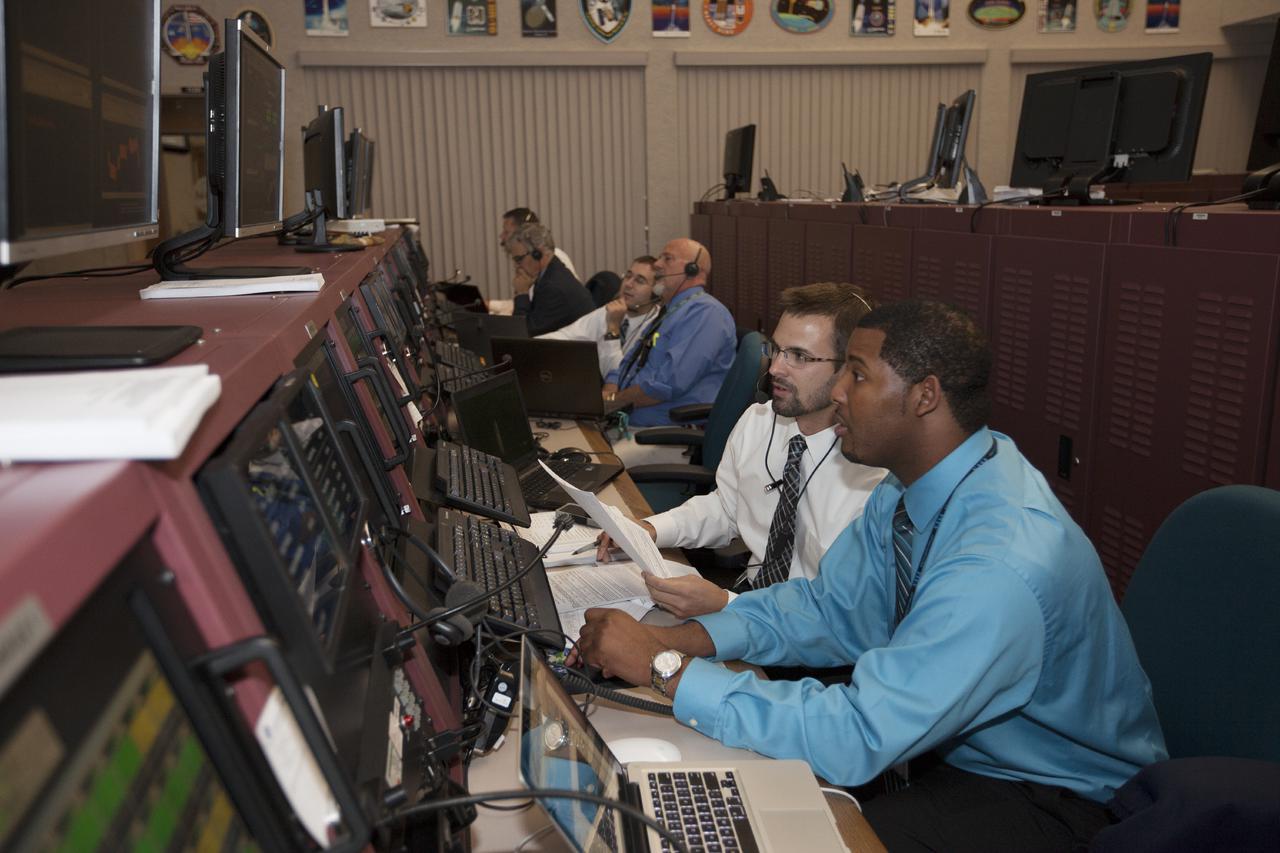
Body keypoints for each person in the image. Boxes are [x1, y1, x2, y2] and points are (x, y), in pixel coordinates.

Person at [574, 300, 1167, 851]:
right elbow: (829, 611)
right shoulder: (913, 487)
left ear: (924, 396)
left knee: (808, 837)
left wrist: (663, 669)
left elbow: (857, 736)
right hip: (956, 748)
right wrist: (669, 641)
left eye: (855, 374)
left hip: (1055, 795)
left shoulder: (999, 564)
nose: (835, 391)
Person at [596, 282, 886, 619]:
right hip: (748, 598)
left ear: (850, 369)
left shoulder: (875, 476)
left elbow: (840, 614)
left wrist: (726, 605)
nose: (776, 368)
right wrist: (651, 529)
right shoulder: (760, 420)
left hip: (814, 632)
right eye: (776, 350)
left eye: (800, 357)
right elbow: (727, 507)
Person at [603, 238, 735, 427]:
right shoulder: (671, 309)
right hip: (629, 420)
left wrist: (614, 401)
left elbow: (665, 386)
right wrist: (609, 390)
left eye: (667, 258)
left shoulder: (705, 314)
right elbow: (631, 361)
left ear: (692, 270)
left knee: (587, 454)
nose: (657, 264)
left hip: (663, 432)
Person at [539, 255, 662, 379]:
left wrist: (612, 328)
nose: (628, 284)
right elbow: (564, 337)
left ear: (656, 292)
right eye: (628, 276)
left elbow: (618, 378)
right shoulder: (608, 311)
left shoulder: (657, 326)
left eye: (640, 281)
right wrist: (527, 346)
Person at [506, 222, 595, 336]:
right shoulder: (550, 273)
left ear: (538, 254)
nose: (516, 266)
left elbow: (522, 334)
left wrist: (522, 293)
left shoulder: (554, 287)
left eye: (519, 259)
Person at [500, 207, 578, 278]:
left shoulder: (555, 257)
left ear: (524, 232)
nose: (501, 236)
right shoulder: (529, 259)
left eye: (506, 232)